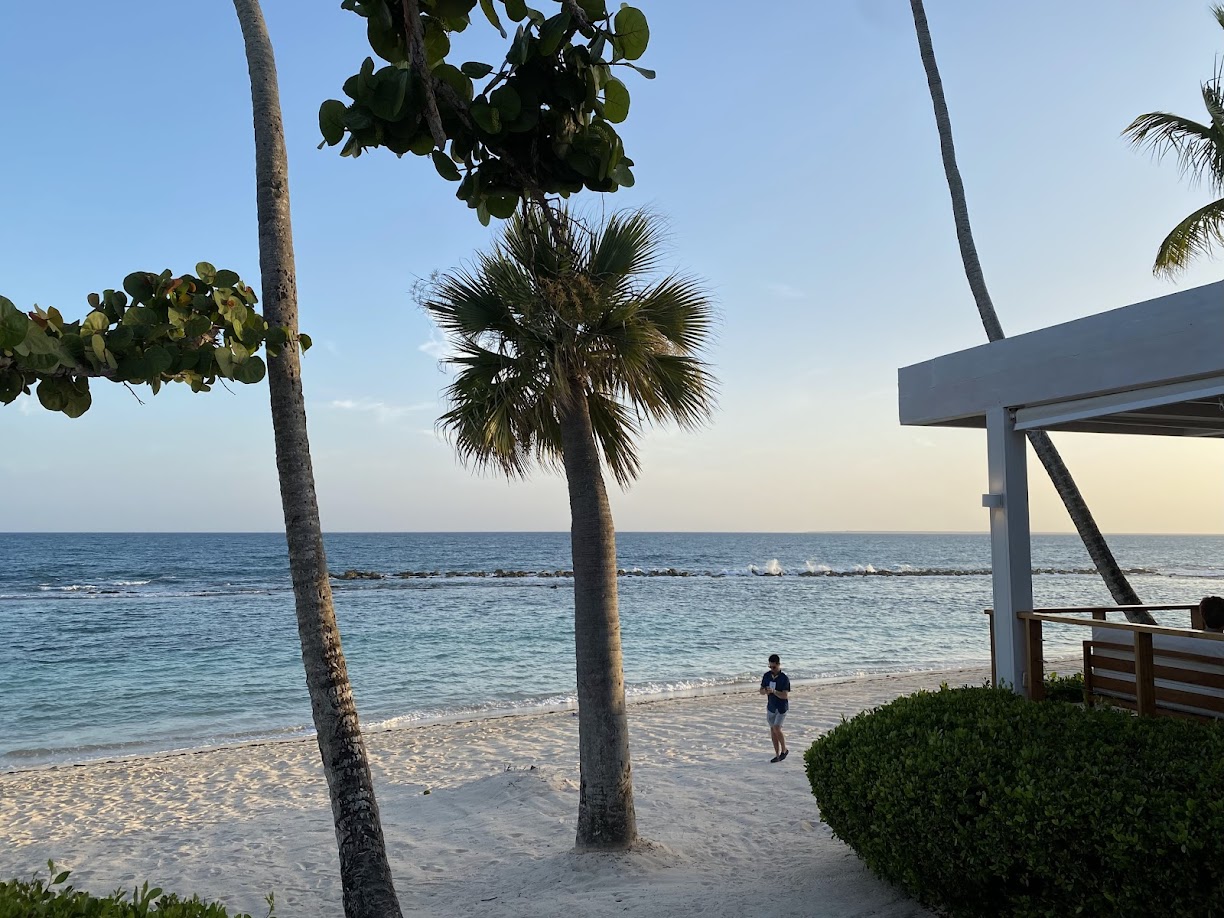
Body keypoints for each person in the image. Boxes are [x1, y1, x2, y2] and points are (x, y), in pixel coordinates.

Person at [759, 653, 790, 763]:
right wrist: (765, 691)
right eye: (770, 667)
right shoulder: (767, 676)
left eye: (774, 667)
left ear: (778, 665)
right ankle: (777, 754)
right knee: (773, 730)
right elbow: (761, 691)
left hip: (781, 707)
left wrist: (774, 691)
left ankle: (784, 750)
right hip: (771, 707)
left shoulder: (784, 678)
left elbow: (785, 695)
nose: (772, 669)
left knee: (777, 728)